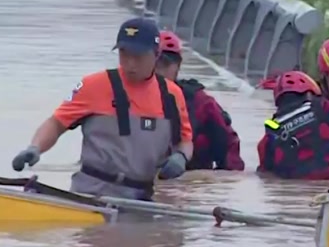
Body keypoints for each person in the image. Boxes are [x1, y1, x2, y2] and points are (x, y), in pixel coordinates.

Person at [10, 17, 194, 200]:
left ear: (156, 54)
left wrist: (181, 157)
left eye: (138, 56)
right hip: (91, 194)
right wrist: (35, 148)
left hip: (141, 198)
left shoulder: (171, 95)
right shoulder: (93, 86)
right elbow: (56, 124)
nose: (130, 63)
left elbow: (185, 141)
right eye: (124, 53)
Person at [153, 30, 245, 171]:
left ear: (178, 66)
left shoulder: (201, 103)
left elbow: (229, 151)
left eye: (165, 64)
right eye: (154, 64)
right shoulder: (127, 99)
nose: (158, 71)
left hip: (190, 181)